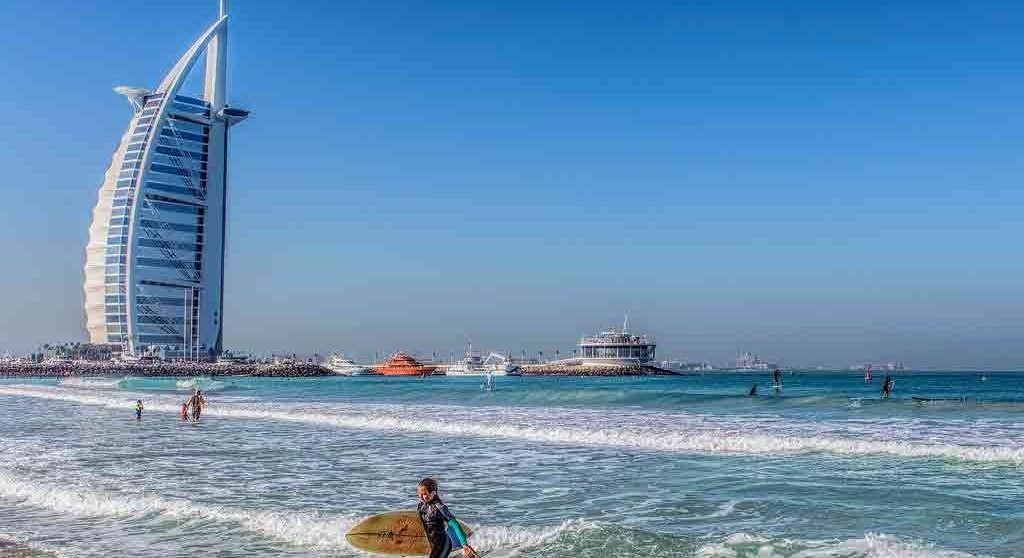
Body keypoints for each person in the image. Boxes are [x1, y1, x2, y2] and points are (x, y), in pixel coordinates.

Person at [416, 478, 478, 558]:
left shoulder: (439, 507)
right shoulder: (421, 506)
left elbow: (454, 524)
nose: (421, 497)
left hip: (443, 543)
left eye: (424, 494)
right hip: (433, 543)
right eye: (419, 494)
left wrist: (464, 544)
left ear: (433, 493)